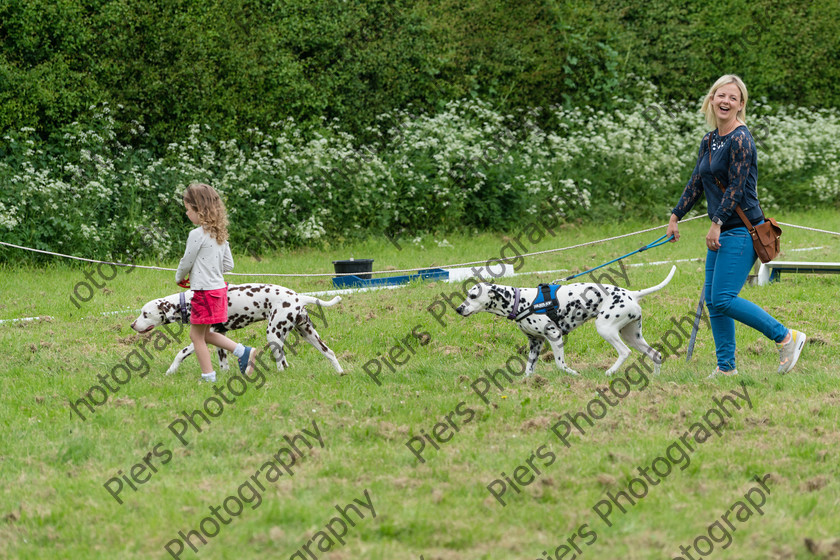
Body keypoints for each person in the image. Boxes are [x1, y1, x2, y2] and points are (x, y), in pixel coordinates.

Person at [666, 75, 806, 377]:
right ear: (712, 99)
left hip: (742, 230)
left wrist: (715, 222)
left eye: (732, 97)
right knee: (714, 302)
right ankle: (726, 367)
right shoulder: (710, 139)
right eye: (720, 95)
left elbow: (737, 189)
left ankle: (785, 336)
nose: (725, 101)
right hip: (723, 229)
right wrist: (676, 215)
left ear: (740, 104)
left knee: (724, 298)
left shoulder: (741, 139)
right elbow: (696, 181)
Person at [176, 183, 255, 382]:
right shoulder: (219, 234)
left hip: (204, 293)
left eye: (188, 209)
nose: (187, 214)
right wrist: (210, 270)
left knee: (196, 337)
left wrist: (179, 277)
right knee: (206, 334)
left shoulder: (196, 235)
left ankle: (208, 377)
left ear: (199, 209)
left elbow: (186, 261)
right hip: (219, 291)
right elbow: (229, 264)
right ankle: (243, 351)